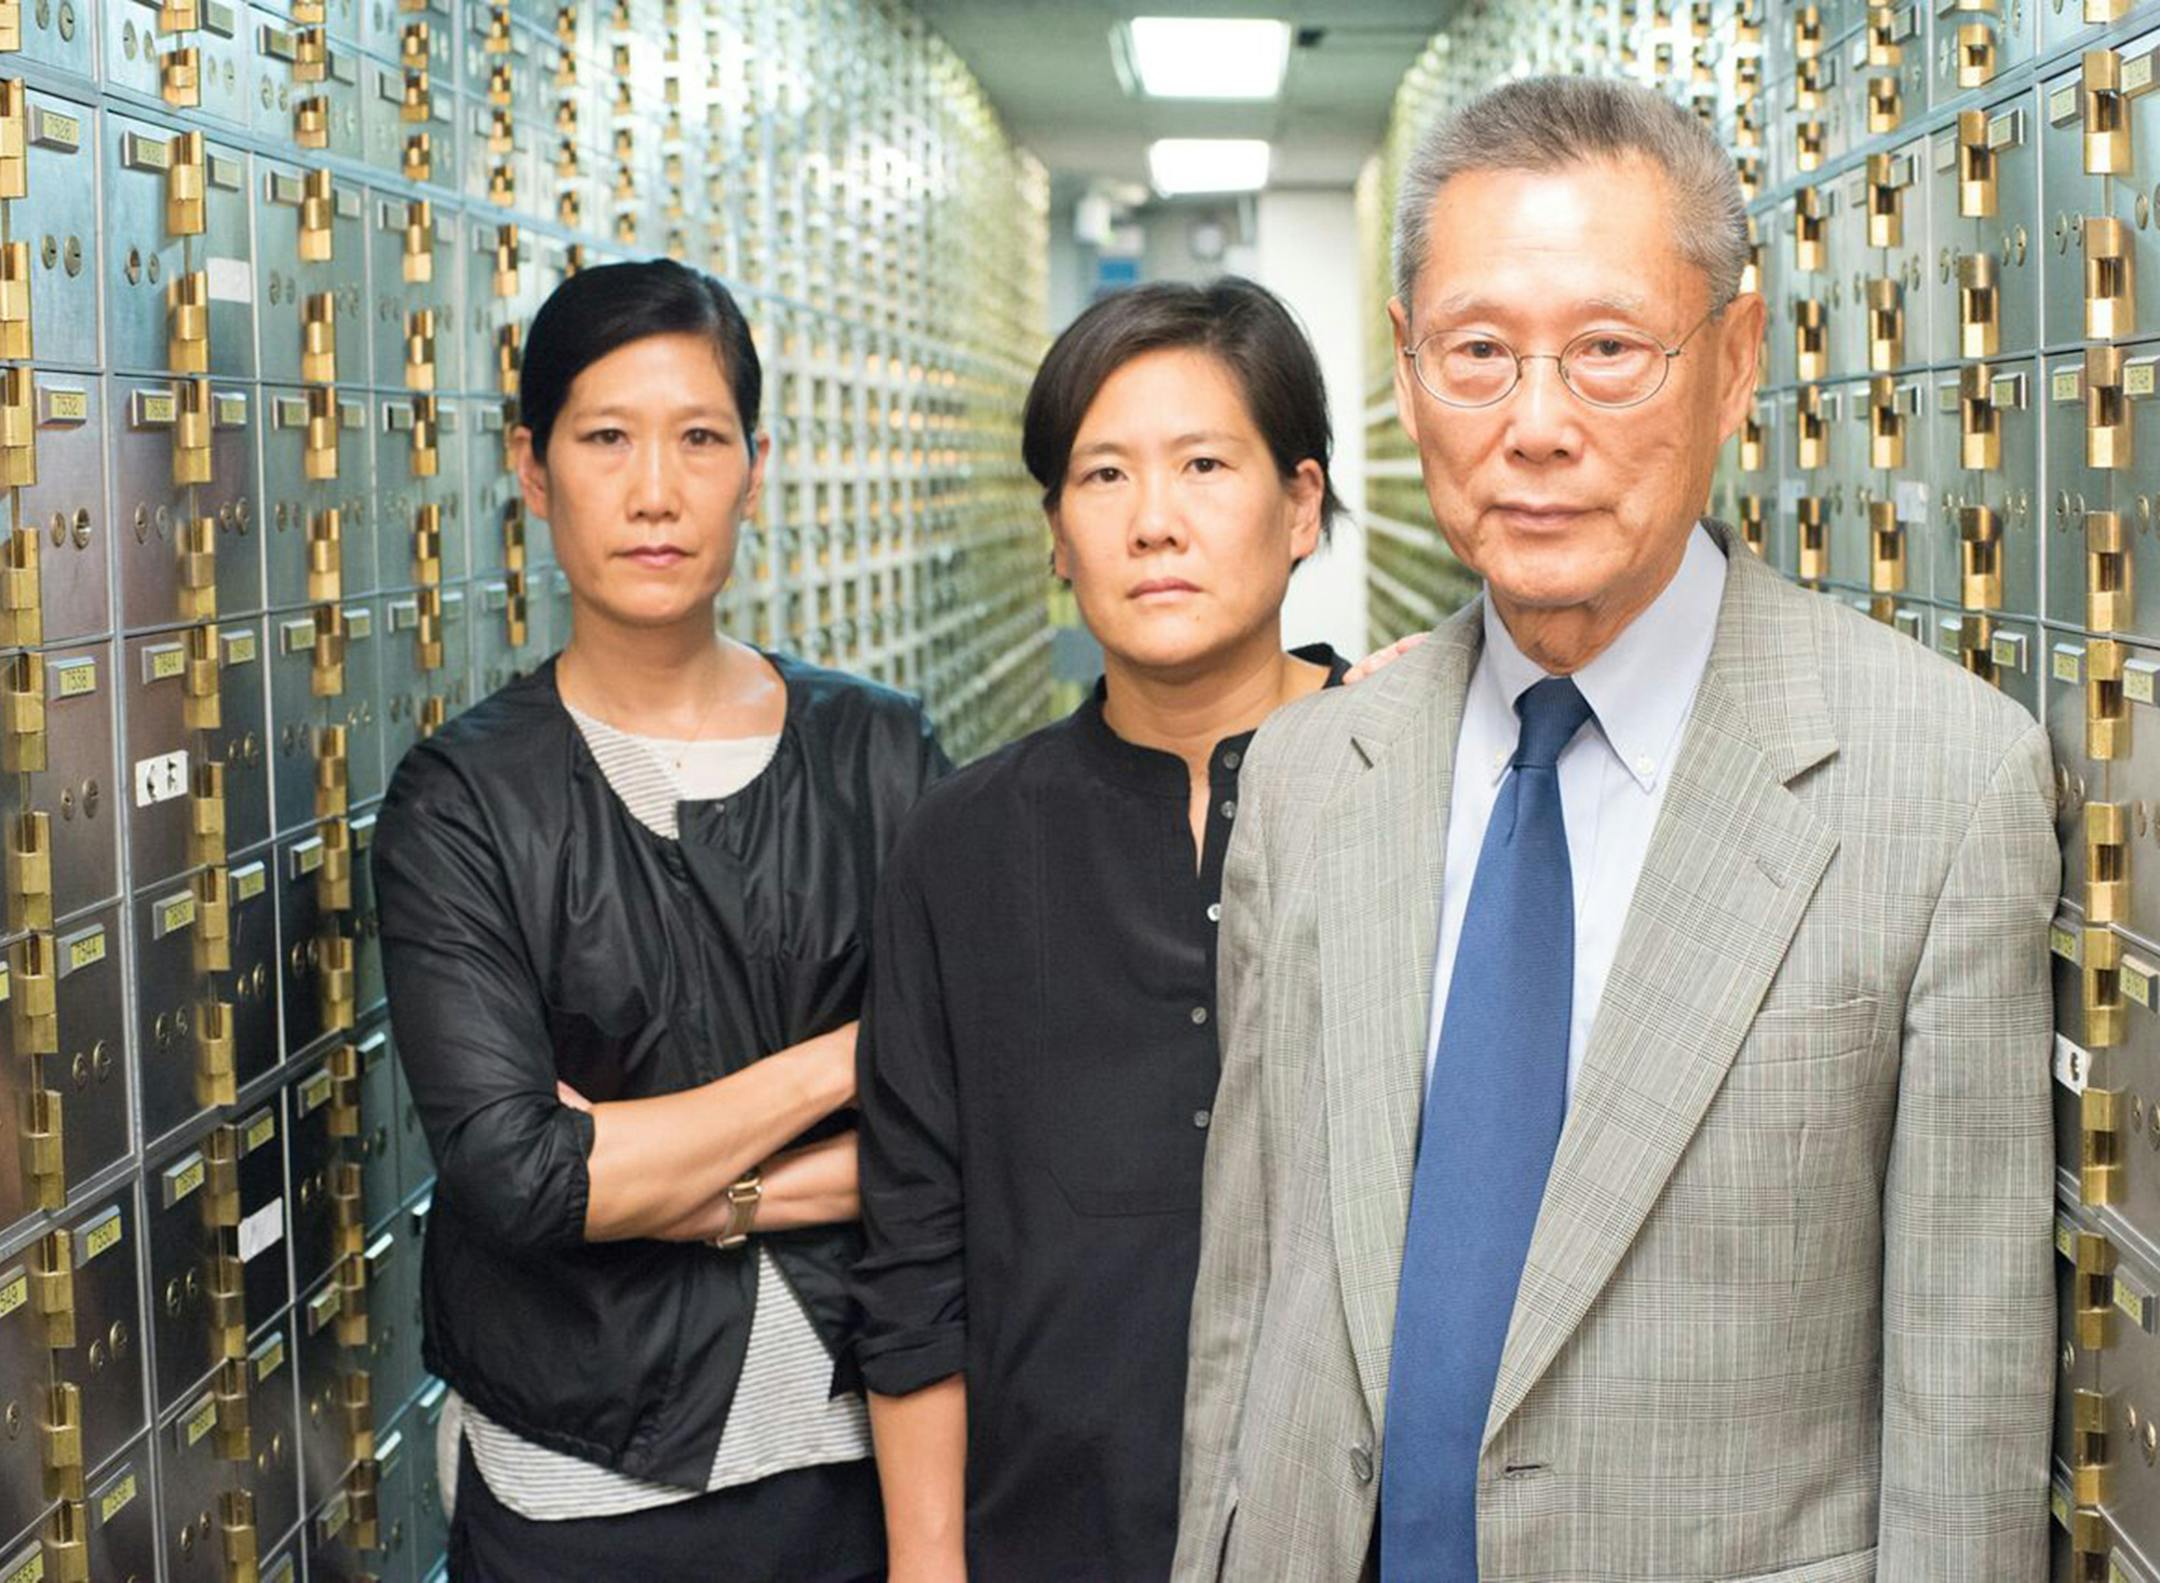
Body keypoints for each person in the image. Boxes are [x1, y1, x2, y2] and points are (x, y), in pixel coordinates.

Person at [1175, 76, 2056, 1582]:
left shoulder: (1943, 785)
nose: (1535, 428)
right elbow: (1250, 1322)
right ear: (1403, 371)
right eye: (1477, 355)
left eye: (1606, 353)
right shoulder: (1313, 781)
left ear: (1734, 360)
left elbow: (1962, 1412)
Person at [372, 259, 944, 1582]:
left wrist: (708, 1192)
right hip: (578, 1492)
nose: (654, 492)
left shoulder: (883, 756)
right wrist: (849, 1063)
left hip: (875, 1465)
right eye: (605, 439)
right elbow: (524, 1178)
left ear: (755, 464)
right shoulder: (465, 803)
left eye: (699, 439)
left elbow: (987, 1110)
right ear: (531, 466)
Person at [853, 277, 1352, 1582]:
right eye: (1104, 476)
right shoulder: (959, 847)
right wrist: (926, 1566)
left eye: (1203, 464)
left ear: (1300, 506)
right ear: (1057, 536)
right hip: (1051, 1536)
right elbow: (913, 1252)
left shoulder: (1428, 796)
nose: (1155, 523)